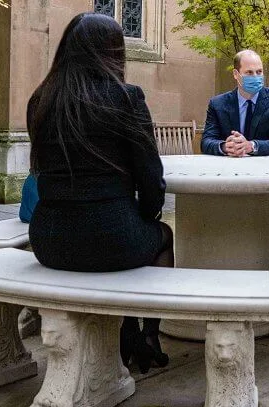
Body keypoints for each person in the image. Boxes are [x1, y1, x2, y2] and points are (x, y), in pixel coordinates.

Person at [27, 13, 172, 373]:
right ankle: (144, 331)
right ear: (113, 52)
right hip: (112, 238)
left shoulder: (41, 100)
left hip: (49, 241)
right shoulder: (125, 97)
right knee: (164, 236)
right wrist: (146, 216)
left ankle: (128, 332)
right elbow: (151, 178)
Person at [201, 49, 269, 267]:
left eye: (259, 71)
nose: (256, 77)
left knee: (267, 233)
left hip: (268, 182)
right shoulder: (218, 104)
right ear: (236, 74)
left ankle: (267, 269)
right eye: (249, 72)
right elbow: (207, 141)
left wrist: (251, 146)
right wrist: (225, 146)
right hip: (229, 181)